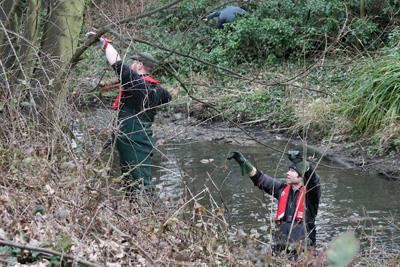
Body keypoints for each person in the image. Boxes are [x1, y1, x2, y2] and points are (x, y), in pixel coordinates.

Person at [86, 32, 172, 197]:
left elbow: (118, 66)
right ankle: (137, 213)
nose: (131, 66)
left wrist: (106, 44)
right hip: (136, 139)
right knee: (131, 182)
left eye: (133, 63)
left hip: (134, 140)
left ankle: (150, 215)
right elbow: (166, 96)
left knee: (141, 184)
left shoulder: (138, 85)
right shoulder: (156, 90)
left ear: (139, 66)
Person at [228, 150, 321, 255]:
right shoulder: (281, 190)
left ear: (301, 176)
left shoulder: (311, 193)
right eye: (288, 170)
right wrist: (244, 163)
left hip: (303, 252)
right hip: (280, 250)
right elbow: (261, 179)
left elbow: (314, 179)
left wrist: (300, 162)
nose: (287, 173)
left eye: (292, 171)